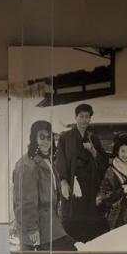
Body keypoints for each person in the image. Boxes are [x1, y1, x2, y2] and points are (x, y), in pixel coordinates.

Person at [53, 102, 108, 243]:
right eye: (81, 116)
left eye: (87, 117)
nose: (84, 120)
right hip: (73, 183)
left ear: (90, 118)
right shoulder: (65, 137)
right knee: (72, 217)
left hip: (91, 185)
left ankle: (89, 244)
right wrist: (63, 181)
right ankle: (72, 244)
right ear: (75, 117)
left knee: (90, 218)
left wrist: (93, 151)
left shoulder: (93, 138)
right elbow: (60, 161)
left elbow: (104, 162)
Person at [12, 118, 67, 251]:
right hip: (37, 229)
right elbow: (25, 201)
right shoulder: (27, 165)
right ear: (33, 138)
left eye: (49, 138)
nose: (46, 142)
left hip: (51, 224)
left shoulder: (46, 160)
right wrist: (31, 229)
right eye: (42, 137)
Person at [96, 133, 127, 232]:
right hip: (119, 216)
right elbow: (104, 194)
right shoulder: (111, 171)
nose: (125, 154)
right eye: (122, 151)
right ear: (117, 151)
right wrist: (122, 190)